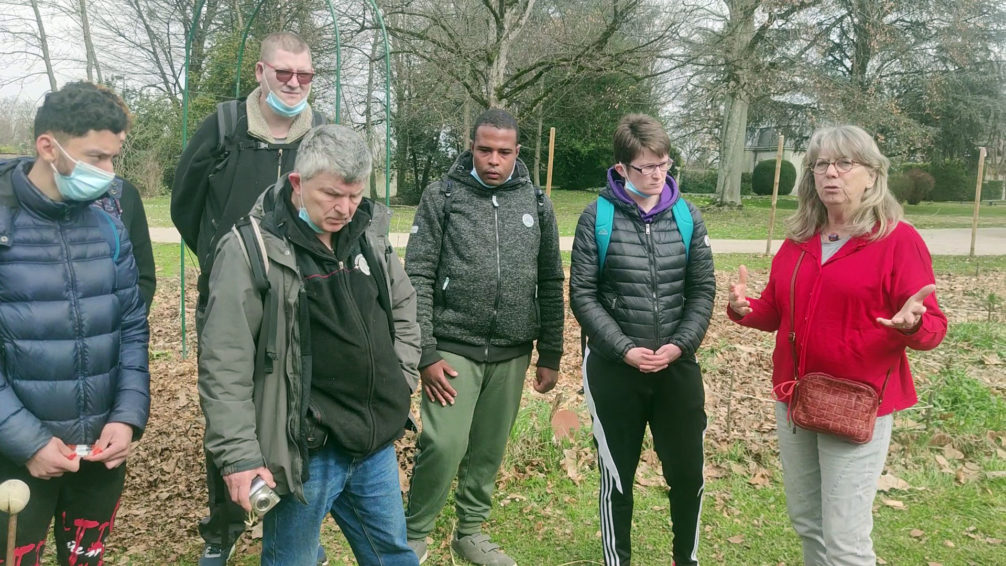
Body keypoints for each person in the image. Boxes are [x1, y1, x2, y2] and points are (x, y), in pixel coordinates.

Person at [197, 124, 421, 566]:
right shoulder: (250, 250)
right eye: (332, 195)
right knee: (292, 560)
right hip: (305, 450)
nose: (345, 208)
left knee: (393, 555)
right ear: (298, 183)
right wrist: (239, 456)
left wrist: (402, 379)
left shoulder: (368, 235)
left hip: (373, 440)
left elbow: (403, 305)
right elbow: (225, 364)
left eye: (355, 196)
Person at [727, 125, 947, 565]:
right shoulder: (799, 239)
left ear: (872, 174)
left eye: (844, 163)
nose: (831, 173)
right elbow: (775, 310)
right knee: (808, 521)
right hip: (796, 397)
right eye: (821, 164)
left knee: (845, 538)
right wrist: (743, 308)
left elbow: (933, 326)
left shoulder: (897, 240)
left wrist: (911, 326)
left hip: (856, 403)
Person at [170, 31, 327, 565]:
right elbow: (185, 205)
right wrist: (222, 261)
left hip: (305, 298)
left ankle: (301, 527)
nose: (293, 83)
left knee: (306, 405)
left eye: (304, 75)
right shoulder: (223, 128)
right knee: (231, 407)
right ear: (260, 72)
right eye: (282, 72)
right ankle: (224, 526)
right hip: (234, 297)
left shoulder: (322, 135)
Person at [404, 108, 565, 566]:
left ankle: (469, 532)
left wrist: (550, 350)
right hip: (452, 348)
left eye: (504, 151)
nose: (494, 160)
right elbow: (417, 272)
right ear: (471, 147)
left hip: (513, 351)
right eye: (485, 149)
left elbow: (551, 279)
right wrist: (426, 351)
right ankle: (414, 534)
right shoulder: (443, 196)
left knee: (489, 449)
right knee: (445, 443)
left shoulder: (536, 203)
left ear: (517, 152)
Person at [0, 81, 150, 565]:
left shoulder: (108, 220)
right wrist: (29, 442)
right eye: (95, 157)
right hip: (14, 458)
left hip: (100, 456)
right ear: (49, 147)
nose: (107, 173)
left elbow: (131, 326)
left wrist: (127, 418)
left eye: (113, 158)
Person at [569, 113, 716, 566]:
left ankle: (684, 558)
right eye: (644, 167)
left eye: (663, 164)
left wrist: (680, 345)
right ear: (620, 169)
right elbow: (582, 294)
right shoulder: (597, 216)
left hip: (676, 365)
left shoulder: (688, 215)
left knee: (688, 473)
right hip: (615, 369)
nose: (655, 175)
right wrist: (625, 349)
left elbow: (703, 290)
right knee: (617, 477)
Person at [96, 177, 156, 312]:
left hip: (118, 328)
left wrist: (131, 321)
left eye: (112, 159)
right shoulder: (39, 206)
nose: (108, 169)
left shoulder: (124, 192)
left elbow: (144, 273)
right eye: (97, 156)